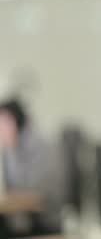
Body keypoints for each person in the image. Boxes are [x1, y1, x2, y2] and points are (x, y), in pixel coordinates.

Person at [0, 98, 65, 237]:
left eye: (3, 122)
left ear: (14, 121)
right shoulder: (10, 149)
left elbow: (40, 197)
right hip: (18, 220)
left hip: (43, 222)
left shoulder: (43, 147)